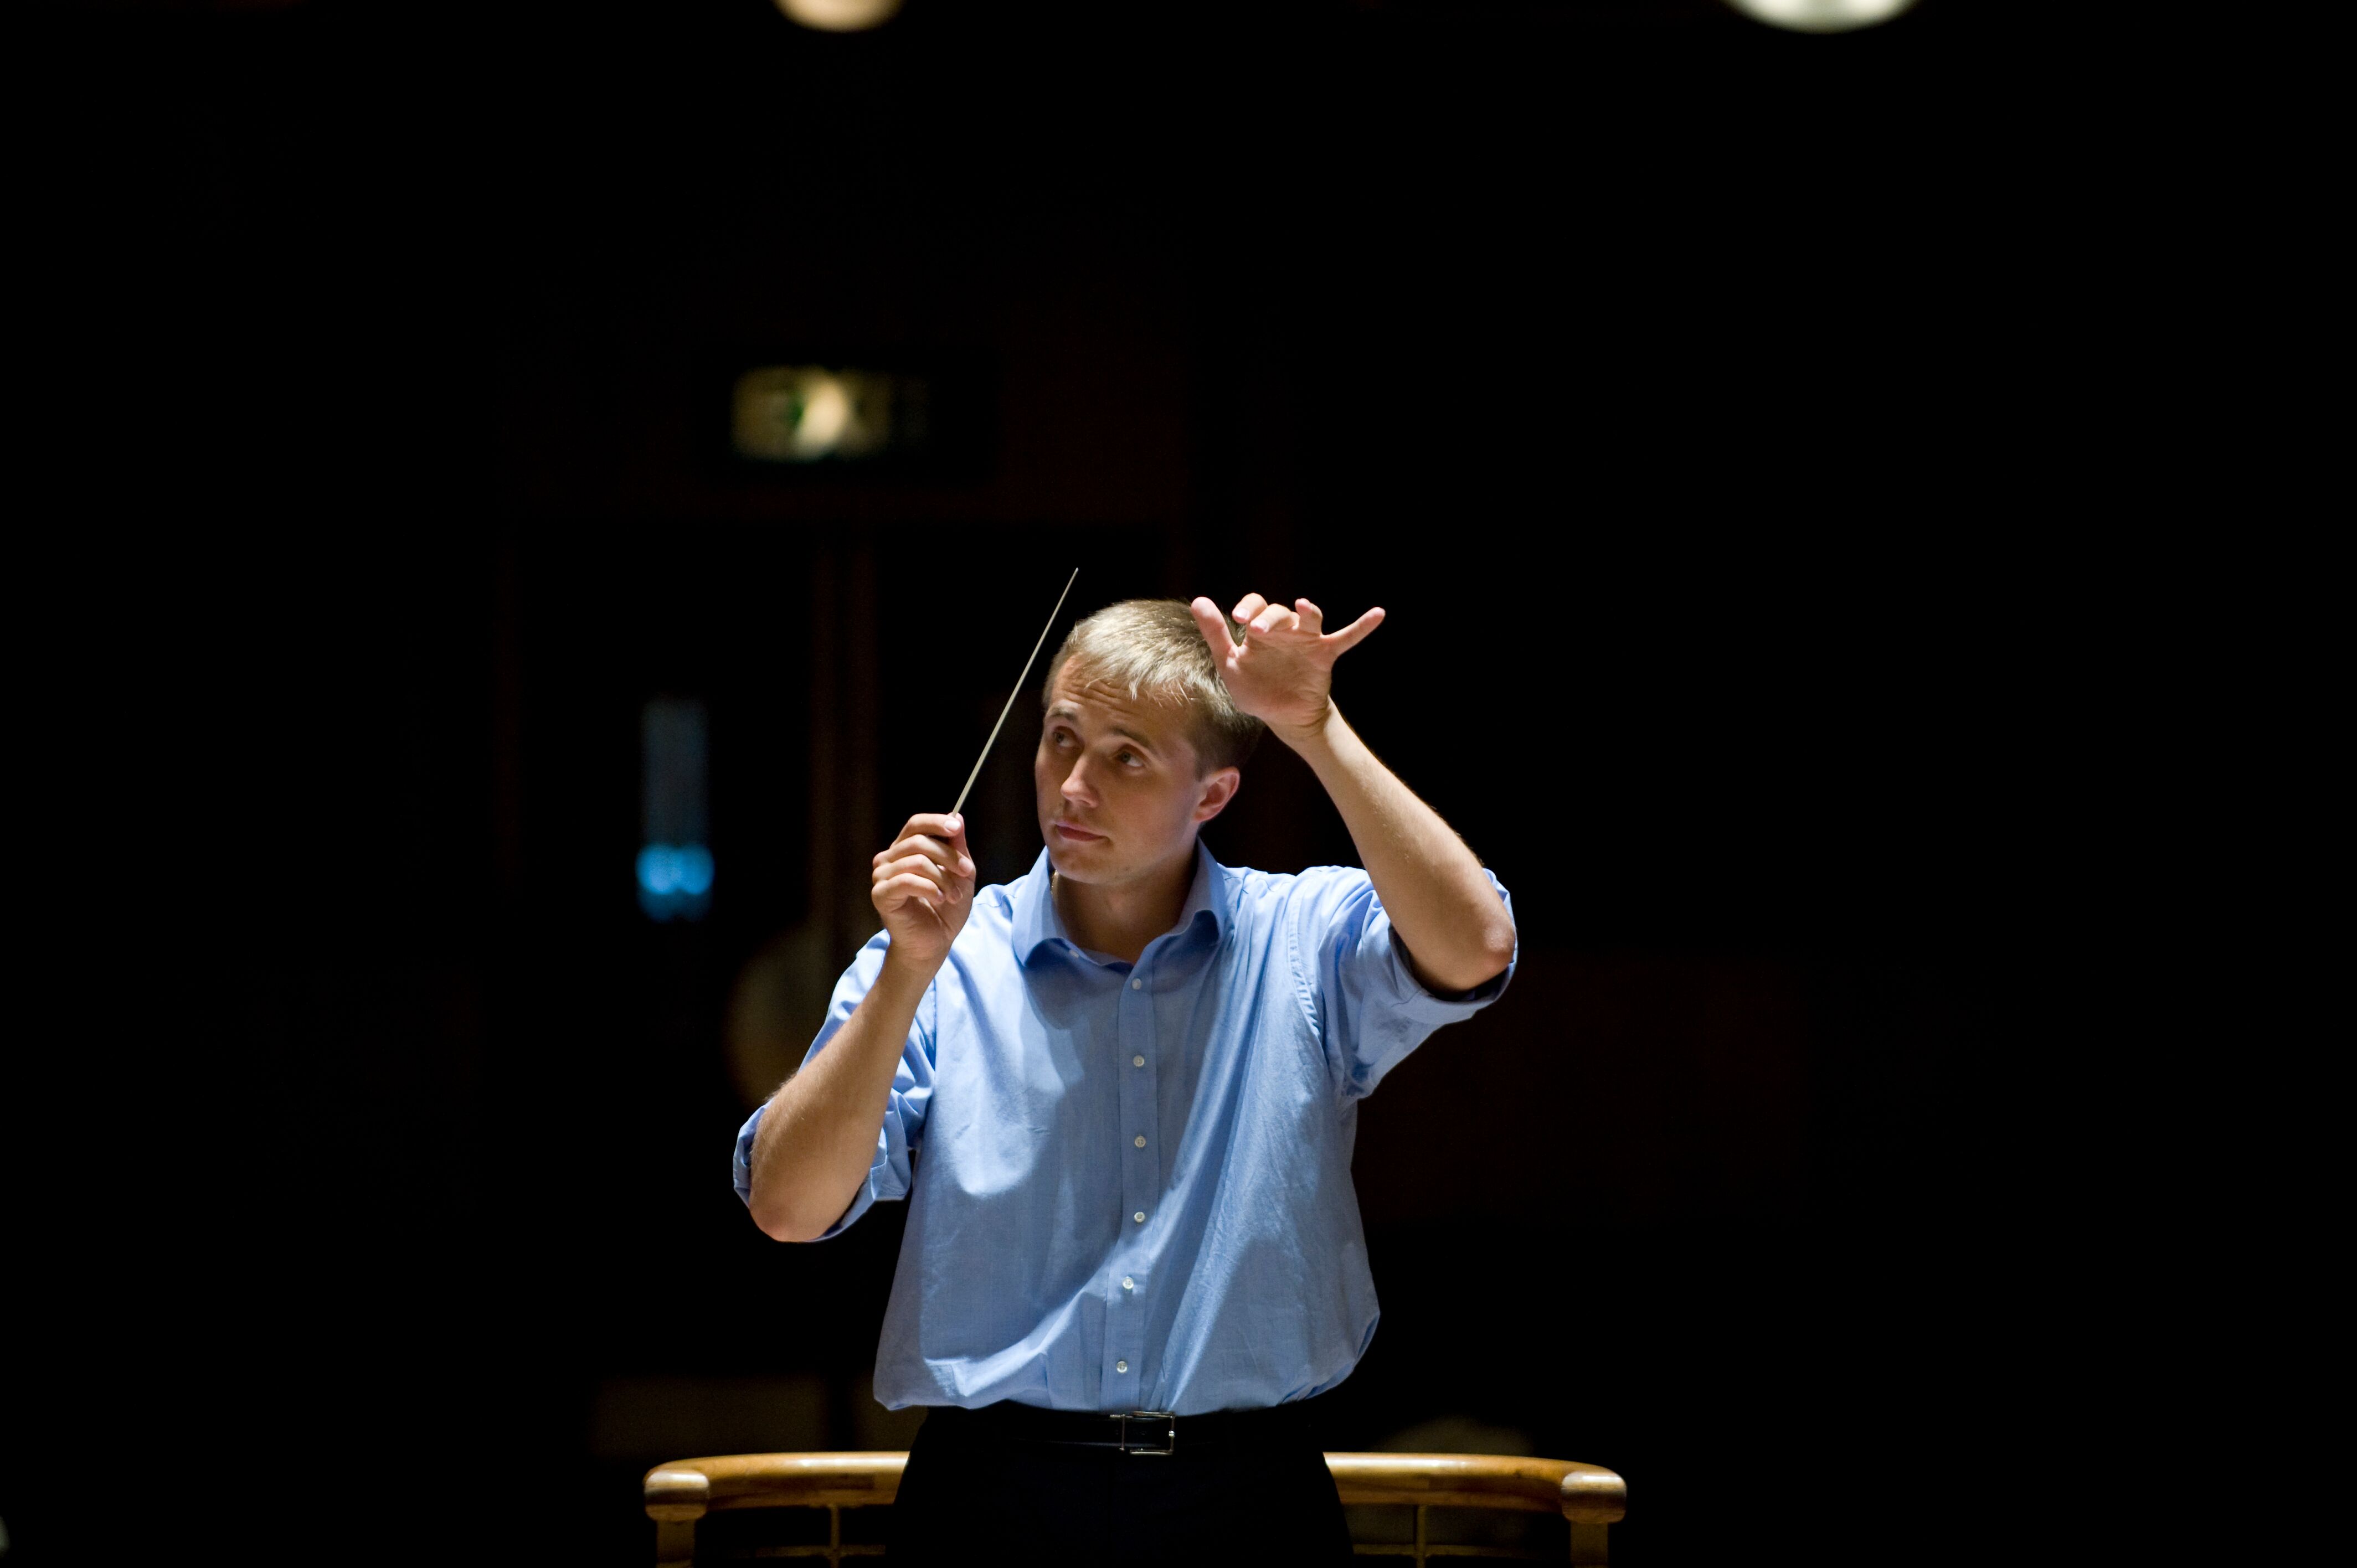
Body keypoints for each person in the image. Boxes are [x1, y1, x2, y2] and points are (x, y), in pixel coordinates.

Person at [734, 592, 1518, 1564]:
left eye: (1125, 757)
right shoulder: (938, 959)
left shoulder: (1300, 937)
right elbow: (788, 1208)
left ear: (1214, 796)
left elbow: (1479, 947)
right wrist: (905, 972)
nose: (1072, 785)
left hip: (1247, 1493)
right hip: (990, 1493)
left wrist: (1314, 728)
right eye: (1061, 738)